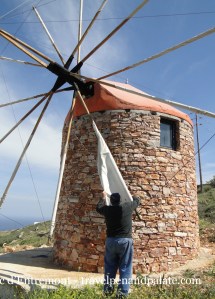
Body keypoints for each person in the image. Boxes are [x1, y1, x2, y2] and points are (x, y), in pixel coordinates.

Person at [96, 191, 140, 298]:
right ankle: (122, 294)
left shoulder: (108, 210)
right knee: (125, 267)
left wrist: (102, 197)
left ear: (111, 201)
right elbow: (137, 201)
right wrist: (131, 195)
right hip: (125, 241)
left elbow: (98, 207)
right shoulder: (127, 207)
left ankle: (107, 291)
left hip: (111, 241)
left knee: (110, 267)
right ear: (120, 200)